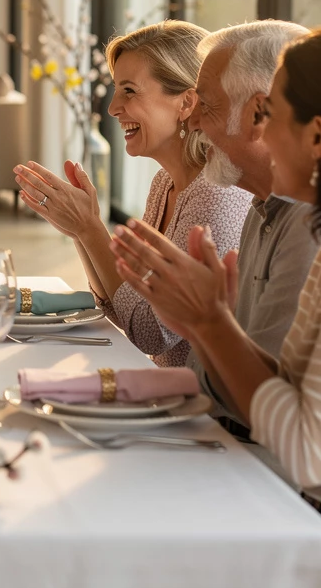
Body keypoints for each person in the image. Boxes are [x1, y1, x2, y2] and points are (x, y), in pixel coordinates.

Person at [112, 29, 321, 494]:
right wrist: (207, 325)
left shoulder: (305, 225)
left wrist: (208, 323)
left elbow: (286, 437)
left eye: (204, 105)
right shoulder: (262, 205)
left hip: (274, 490)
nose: (196, 124)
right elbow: (220, 387)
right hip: (238, 457)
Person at [13, 21, 252, 366]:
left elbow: (151, 333)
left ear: (186, 102)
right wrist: (81, 231)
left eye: (129, 91)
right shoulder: (164, 184)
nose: (112, 108)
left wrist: (90, 229)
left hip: (197, 413)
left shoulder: (214, 196)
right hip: (165, 392)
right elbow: (120, 308)